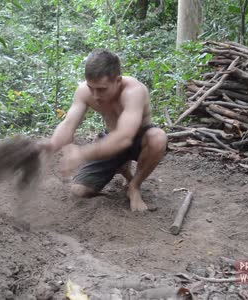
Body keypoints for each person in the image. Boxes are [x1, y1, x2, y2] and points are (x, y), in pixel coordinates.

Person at [39, 49, 167, 211]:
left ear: (118, 81)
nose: (95, 95)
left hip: (139, 141)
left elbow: (125, 137)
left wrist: (82, 153)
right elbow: (68, 124)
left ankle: (134, 186)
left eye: (101, 89)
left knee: (158, 137)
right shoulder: (84, 92)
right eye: (91, 87)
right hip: (111, 140)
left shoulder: (134, 91)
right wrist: (52, 144)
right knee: (79, 191)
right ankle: (121, 166)